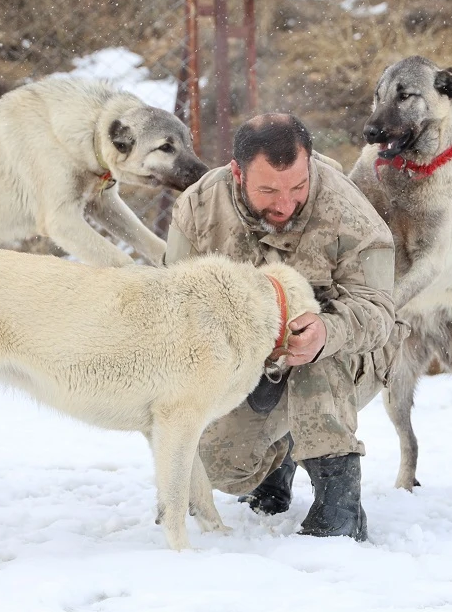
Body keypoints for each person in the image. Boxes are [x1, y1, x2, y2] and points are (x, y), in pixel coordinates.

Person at [165, 113, 399, 541]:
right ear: (237, 173)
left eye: (297, 187)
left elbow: (381, 314)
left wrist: (327, 331)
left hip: (350, 354)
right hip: (246, 360)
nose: (285, 204)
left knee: (318, 351)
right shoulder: (198, 209)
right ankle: (279, 456)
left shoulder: (352, 216)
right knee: (220, 464)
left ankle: (339, 505)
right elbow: (173, 307)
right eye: (268, 190)